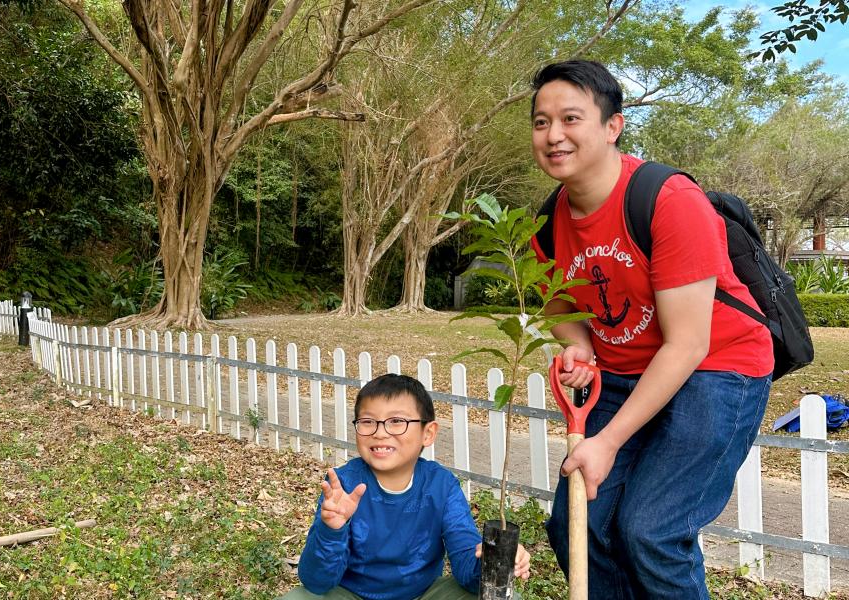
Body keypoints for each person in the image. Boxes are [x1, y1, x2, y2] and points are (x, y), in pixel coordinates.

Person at [529, 59, 774, 598]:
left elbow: (688, 342)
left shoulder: (668, 200)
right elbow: (561, 308)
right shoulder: (547, 226)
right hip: (625, 370)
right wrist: (579, 349)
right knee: (579, 524)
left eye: (571, 118)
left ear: (613, 126)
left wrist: (609, 441)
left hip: (717, 368)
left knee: (651, 531)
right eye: (541, 122)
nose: (554, 135)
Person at [280, 373, 531, 599]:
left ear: (428, 433)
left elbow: (467, 568)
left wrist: (490, 559)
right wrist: (331, 530)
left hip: (423, 595)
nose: (380, 432)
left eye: (397, 421)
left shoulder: (441, 486)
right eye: (367, 421)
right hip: (351, 594)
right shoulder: (343, 486)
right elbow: (316, 583)